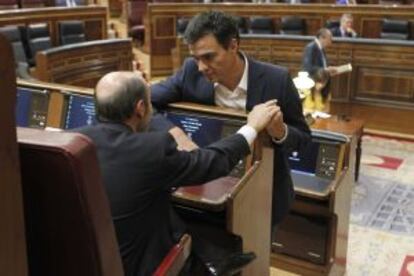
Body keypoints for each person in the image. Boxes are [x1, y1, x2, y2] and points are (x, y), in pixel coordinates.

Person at [76, 71, 279, 276]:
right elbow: (212, 162)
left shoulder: (72, 142)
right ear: (140, 108)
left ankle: (212, 256)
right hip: (134, 267)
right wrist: (251, 127)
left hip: (82, 260)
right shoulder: (152, 149)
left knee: (160, 201)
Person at [150, 11, 311, 237]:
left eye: (208, 57)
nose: (201, 67)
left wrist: (280, 132)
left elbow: (304, 140)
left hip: (262, 194)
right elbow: (144, 103)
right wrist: (175, 133)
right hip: (204, 187)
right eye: (196, 58)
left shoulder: (277, 80)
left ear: (233, 45)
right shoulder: (190, 72)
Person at [302, 28, 338, 101]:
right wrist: (325, 70)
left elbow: (322, 65)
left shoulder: (321, 48)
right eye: (329, 39)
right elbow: (307, 67)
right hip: (315, 85)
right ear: (322, 38)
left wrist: (328, 69)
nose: (331, 42)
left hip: (322, 83)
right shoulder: (311, 48)